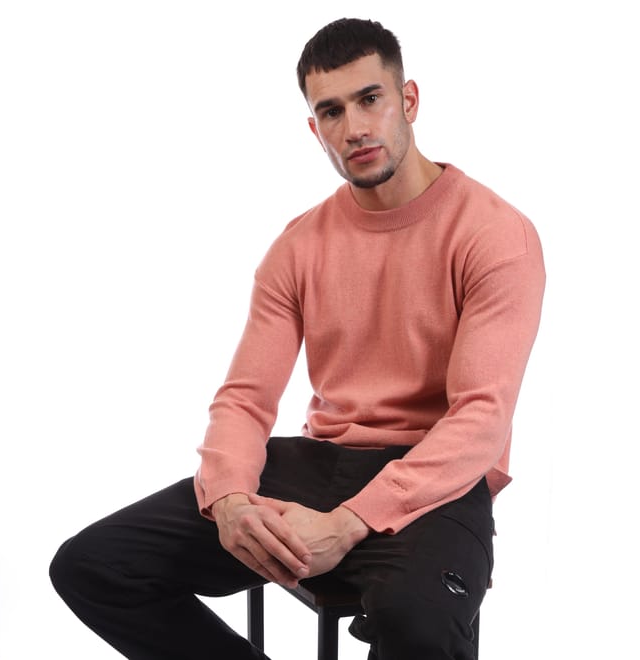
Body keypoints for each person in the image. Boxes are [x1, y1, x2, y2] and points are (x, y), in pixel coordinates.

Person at [50, 17, 545, 660]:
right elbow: (245, 398)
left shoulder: (495, 233)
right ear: (315, 129)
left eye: (370, 99)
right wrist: (230, 498)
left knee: (417, 624)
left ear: (409, 100)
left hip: (437, 478)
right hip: (320, 462)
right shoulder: (298, 244)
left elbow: (480, 417)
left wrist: (349, 523)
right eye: (331, 111)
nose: (355, 128)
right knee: (93, 566)